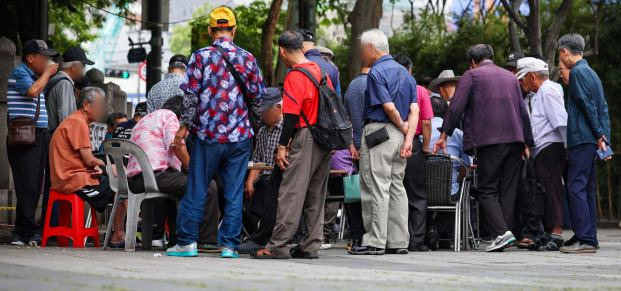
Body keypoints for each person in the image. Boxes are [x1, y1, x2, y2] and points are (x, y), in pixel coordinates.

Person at [167, 6, 265, 258]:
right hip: (240, 137)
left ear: (210, 30)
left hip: (207, 136)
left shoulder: (200, 56)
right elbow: (257, 98)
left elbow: (190, 97)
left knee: (198, 188)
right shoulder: (248, 58)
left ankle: (187, 242)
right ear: (234, 29)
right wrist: (249, 125)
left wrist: (184, 125)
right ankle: (230, 246)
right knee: (234, 193)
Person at [433, 44, 533, 252]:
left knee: (486, 188)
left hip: (489, 139)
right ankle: (504, 233)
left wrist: (444, 134)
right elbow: (522, 110)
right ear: (492, 57)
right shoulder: (510, 77)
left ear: (472, 62)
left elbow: (457, 106)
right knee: (508, 189)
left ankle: (500, 233)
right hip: (515, 139)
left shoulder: (472, 76)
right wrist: (526, 141)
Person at [253, 30, 333, 259]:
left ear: (282, 51)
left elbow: (290, 116)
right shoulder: (319, 69)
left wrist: (282, 146)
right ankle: (310, 245)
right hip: (324, 138)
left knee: (291, 192)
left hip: (305, 135)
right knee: (315, 194)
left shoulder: (296, 75)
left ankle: (278, 246)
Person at [349, 29, 420, 256]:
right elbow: (414, 109)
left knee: (376, 186)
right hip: (400, 138)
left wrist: (400, 125)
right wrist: (408, 137)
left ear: (371, 48)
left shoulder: (376, 72)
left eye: (363, 48)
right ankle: (399, 241)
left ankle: (375, 241)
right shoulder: (406, 74)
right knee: (397, 185)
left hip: (379, 133)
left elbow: (388, 107)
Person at [556, 34, 611, 254]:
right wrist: (604, 137)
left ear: (565, 52)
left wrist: (598, 135)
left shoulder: (577, 72)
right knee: (586, 188)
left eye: (560, 55)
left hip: (582, 138)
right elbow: (603, 107)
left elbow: (587, 106)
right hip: (592, 140)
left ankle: (586, 239)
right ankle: (588, 236)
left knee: (575, 186)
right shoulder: (593, 73)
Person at [7, 39, 59, 246]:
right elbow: (31, 91)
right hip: (25, 137)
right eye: (44, 57)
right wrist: (47, 74)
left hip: (37, 136)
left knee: (35, 185)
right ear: (30, 58)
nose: (47, 61)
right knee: (27, 185)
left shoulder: (33, 75)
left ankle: (27, 232)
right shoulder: (21, 73)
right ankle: (22, 233)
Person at [515, 57, 568, 251]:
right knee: (543, 192)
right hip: (542, 148)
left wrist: (566, 146)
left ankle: (556, 233)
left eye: (522, 79)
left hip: (550, 146)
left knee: (551, 190)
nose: (521, 83)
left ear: (531, 76)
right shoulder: (538, 93)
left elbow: (560, 120)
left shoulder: (549, 89)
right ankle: (548, 232)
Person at [126, 96, 190, 247]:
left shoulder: (144, 120)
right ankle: (204, 241)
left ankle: (175, 239)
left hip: (136, 181)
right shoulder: (170, 116)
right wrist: (191, 167)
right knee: (204, 185)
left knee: (175, 187)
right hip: (154, 176)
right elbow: (176, 145)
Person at [49, 87, 115, 213]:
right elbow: (89, 160)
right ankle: (120, 230)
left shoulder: (77, 120)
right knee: (120, 180)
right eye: (100, 105)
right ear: (86, 105)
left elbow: (87, 160)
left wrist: (98, 166)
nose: (102, 110)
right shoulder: (78, 122)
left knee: (116, 173)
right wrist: (102, 165)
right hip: (71, 180)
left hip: (71, 176)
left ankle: (120, 229)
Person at [394, 53, 434, 252]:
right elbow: (426, 122)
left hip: (391, 141)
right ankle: (416, 241)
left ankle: (393, 238)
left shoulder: (388, 88)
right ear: (410, 70)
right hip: (414, 145)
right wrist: (425, 146)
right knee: (417, 194)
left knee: (393, 190)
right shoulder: (419, 90)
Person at [238, 87, 283, 254]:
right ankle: (253, 233)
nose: (262, 115)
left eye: (265, 111)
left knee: (266, 186)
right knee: (248, 188)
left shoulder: (287, 128)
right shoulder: (263, 131)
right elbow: (258, 161)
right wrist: (250, 181)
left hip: (280, 177)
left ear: (278, 108)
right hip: (264, 176)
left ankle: (260, 237)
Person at [425, 96, 470, 249]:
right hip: (449, 192)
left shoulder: (419, 132)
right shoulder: (457, 133)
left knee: (419, 200)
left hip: (423, 191)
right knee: (456, 194)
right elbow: (466, 165)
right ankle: (436, 230)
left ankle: (427, 230)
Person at [342, 65, 369, 250]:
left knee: (354, 192)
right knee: (374, 192)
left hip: (355, 144)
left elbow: (345, 120)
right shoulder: (377, 83)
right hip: (374, 143)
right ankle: (372, 236)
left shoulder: (351, 87)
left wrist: (350, 145)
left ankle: (357, 236)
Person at [46, 46, 94, 133]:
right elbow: (66, 119)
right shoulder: (65, 84)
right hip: (57, 138)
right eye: (82, 67)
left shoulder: (57, 79)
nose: (83, 72)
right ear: (74, 67)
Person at [298, 29, 342, 97]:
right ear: (314, 45)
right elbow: (338, 97)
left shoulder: (299, 66)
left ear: (300, 46)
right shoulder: (333, 67)